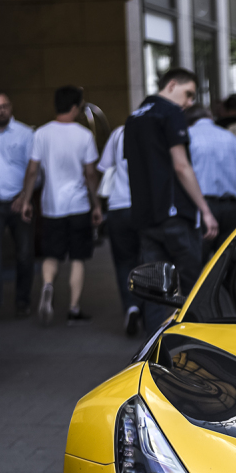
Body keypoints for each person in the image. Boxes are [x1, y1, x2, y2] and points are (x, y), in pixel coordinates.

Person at [123, 67, 220, 329]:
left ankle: (157, 350)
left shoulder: (133, 117)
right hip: (174, 214)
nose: (189, 102)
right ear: (172, 85)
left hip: (145, 216)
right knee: (192, 287)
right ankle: (198, 344)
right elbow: (181, 165)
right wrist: (205, 210)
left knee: (156, 289)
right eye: (188, 94)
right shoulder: (171, 113)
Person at [17, 85, 101, 326]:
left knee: (52, 255)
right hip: (78, 205)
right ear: (75, 107)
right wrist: (96, 204)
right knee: (77, 258)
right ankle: (74, 309)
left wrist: (25, 199)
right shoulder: (84, 136)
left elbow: (32, 170)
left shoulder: (41, 134)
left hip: (51, 206)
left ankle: (47, 284)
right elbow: (91, 174)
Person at [0, 90, 36, 321]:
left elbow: (35, 171)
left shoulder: (26, 133)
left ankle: (22, 301)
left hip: (20, 201)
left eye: (5, 106)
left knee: (24, 253)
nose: (2, 110)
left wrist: (25, 197)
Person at [188, 104, 236, 258]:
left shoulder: (188, 136)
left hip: (202, 208)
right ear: (210, 118)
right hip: (233, 207)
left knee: (199, 262)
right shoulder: (230, 137)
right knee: (228, 260)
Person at [97, 123, 143, 336]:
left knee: (124, 261)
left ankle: (131, 307)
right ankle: (147, 309)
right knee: (148, 261)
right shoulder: (156, 130)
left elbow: (104, 167)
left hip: (118, 208)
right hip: (145, 208)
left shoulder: (118, 133)